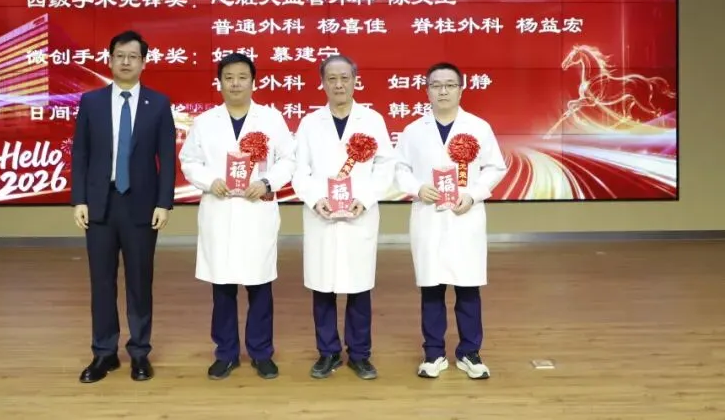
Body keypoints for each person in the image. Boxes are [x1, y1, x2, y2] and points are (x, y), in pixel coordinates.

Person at [178, 52, 296, 380]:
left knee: (259, 286)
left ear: (253, 82)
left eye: (242, 77)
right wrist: (209, 180)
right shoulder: (205, 121)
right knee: (223, 287)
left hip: (257, 210)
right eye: (228, 77)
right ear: (219, 83)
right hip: (220, 209)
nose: (235, 84)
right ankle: (226, 353)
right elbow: (189, 161)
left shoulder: (271, 119)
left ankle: (261, 353)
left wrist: (266, 182)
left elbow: (289, 159)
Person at [70, 29, 176, 384]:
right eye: (120, 55)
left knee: (139, 281)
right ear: (110, 60)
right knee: (101, 282)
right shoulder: (92, 102)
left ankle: (139, 352)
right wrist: (79, 199)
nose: (126, 62)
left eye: (133, 56)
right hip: (100, 203)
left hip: (141, 206)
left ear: (143, 62)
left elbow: (166, 157)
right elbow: (80, 154)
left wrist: (164, 203)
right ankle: (104, 353)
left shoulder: (158, 103)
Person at [394, 62, 507, 380]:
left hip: (464, 216)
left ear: (461, 89)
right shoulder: (413, 130)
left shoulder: (478, 127)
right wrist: (418, 187)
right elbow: (399, 168)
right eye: (436, 85)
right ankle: (433, 354)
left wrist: (473, 194)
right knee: (432, 287)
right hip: (429, 216)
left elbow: (495, 168)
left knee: (468, 287)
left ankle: (470, 352)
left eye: (449, 85)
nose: (442, 91)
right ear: (427, 90)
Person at [291, 55, 396, 380]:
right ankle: (328, 353)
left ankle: (360, 355)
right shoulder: (310, 123)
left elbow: (385, 166)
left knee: (358, 287)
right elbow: (299, 169)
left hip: (358, 215)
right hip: (322, 214)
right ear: (322, 83)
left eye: (345, 78)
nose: (339, 85)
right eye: (332, 79)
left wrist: (365, 199)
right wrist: (315, 199)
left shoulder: (372, 120)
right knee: (322, 287)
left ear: (355, 80)